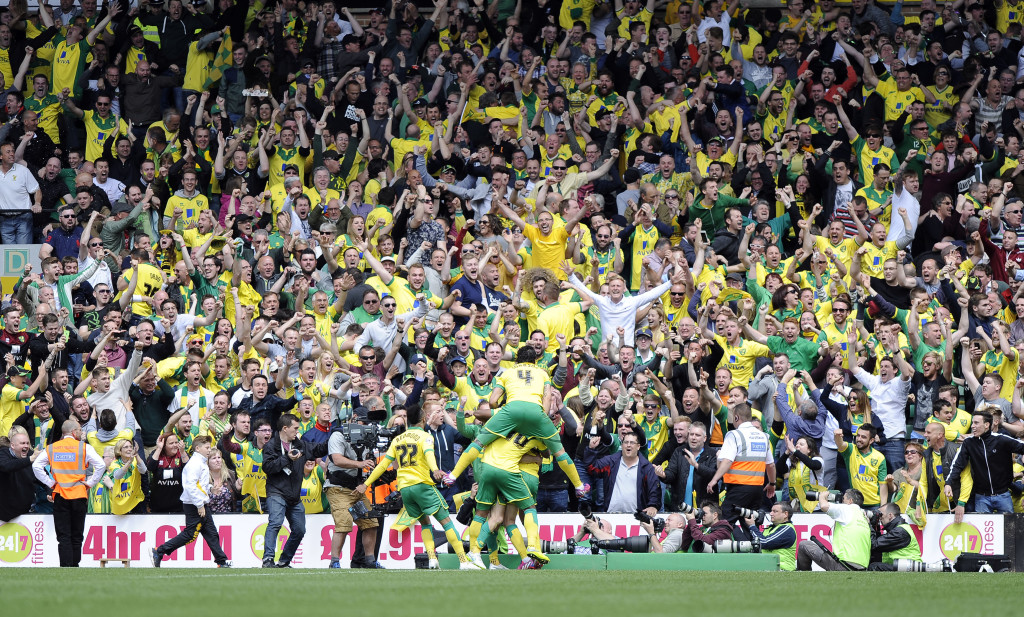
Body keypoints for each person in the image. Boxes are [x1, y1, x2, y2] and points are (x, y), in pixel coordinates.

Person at [355, 404, 472, 570]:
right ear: (424, 419)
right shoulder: (425, 437)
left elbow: (382, 466)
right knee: (446, 522)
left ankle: (432, 559)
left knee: (425, 523)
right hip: (422, 485)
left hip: (405, 489)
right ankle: (464, 561)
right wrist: (435, 470)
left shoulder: (397, 439)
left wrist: (365, 484)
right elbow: (429, 454)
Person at [32, 419, 106, 567]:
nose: (81, 432)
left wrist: (51, 482)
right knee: (77, 534)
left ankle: (66, 566)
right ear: (73, 432)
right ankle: (75, 565)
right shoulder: (84, 447)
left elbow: (36, 466)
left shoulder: (52, 448)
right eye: (79, 430)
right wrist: (90, 483)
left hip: (60, 494)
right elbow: (101, 464)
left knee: (63, 535)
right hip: (79, 493)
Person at [151, 436, 231, 568]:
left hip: (199, 503)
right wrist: (200, 504)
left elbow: (199, 484)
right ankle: (160, 551)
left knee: (211, 533)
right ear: (198, 448)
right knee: (190, 535)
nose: (209, 450)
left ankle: (221, 560)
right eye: (207, 447)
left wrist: (211, 489)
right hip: (194, 504)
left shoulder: (199, 462)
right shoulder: (195, 464)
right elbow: (190, 486)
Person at [260, 414, 329, 568]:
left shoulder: (301, 445)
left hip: (294, 497)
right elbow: (267, 467)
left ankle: (284, 561)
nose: (297, 432)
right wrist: (287, 459)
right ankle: (268, 559)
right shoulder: (271, 446)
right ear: (285, 428)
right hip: (276, 492)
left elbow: (319, 449)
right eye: (295, 428)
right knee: (276, 523)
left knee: (299, 530)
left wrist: (335, 437)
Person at [706, 403, 775, 531]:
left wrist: (714, 479)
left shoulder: (734, 435)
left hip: (738, 489)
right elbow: (770, 464)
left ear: (736, 417)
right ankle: (754, 550)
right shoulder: (764, 437)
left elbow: (727, 461)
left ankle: (722, 549)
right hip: (757, 490)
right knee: (750, 526)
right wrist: (772, 483)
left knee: (724, 525)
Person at [945, 409, 1024, 517]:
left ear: (987, 424)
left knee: (1008, 532)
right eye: (972, 422)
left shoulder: (1001, 440)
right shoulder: (969, 443)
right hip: (981, 497)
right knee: (982, 533)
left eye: (976, 423)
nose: (972, 426)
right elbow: (957, 465)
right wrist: (948, 483)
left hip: (1003, 495)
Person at [796, 489, 871, 571]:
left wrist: (822, 497)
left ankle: (804, 576)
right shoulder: (864, 516)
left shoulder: (847, 509)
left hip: (843, 566)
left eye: (843, 499)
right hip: (862, 568)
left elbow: (824, 506)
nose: (842, 501)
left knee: (804, 545)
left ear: (850, 501)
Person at [0, 426, 44, 523]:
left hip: (25, 512)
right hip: (4, 511)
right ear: (12, 445)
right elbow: (5, 466)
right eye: (22, 443)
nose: (26, 446)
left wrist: (50, 491)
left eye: (27, 443)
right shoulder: (3, 453)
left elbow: (42, 476)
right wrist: (29, 460)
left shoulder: (31, 455)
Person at [868, 503, 923, 571]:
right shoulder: (896, 528)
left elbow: (875, 545)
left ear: (890, 515)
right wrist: (875, 524)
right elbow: (878, 543)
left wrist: (869, 525)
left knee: (874, 566)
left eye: (881, 514)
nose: (879, 517)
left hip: (909, 567)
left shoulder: (899, 531)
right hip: (903, 565)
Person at [744, 502, 798, 571]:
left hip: (782, 569)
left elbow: (764, 543)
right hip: (768, 568)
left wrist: (752, 526)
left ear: (785, 514)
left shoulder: (787, 529)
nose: (770, 514)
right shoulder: (769, 529)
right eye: (771, 511)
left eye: (775, 511)